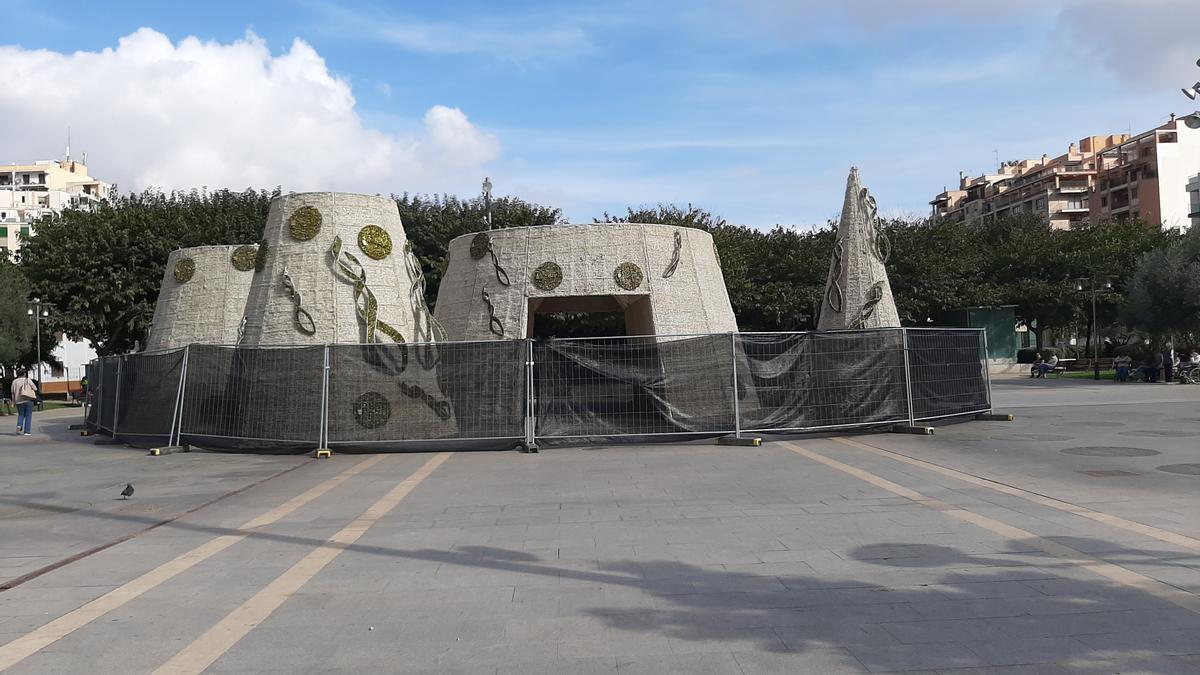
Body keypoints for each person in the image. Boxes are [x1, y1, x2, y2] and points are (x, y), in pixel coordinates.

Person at [10, 369, 37, 435]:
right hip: (28, 399)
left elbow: (12, 393)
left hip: (18, 401)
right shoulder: (28, 380)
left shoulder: (14, 381)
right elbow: (35, 388)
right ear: (25, 374)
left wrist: (13, 402)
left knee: (21, 414)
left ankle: (19, 425)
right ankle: (27, 431)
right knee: (28, 415)